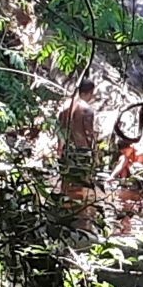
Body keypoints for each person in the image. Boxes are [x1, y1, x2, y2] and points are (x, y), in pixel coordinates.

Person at [56, 79, 99, 232]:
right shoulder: (86, 109)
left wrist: (59, 151)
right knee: (81, 186)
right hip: (82, 151)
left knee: (65, 183)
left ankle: (64, 215)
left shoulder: (64, 107)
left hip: (67, 150)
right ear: (90, 92)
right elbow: (89, 134)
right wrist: (95, 154)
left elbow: (60, 133)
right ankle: (80, 222)